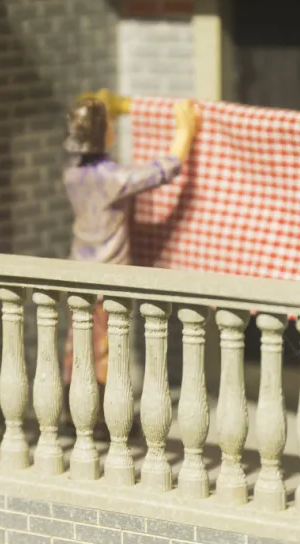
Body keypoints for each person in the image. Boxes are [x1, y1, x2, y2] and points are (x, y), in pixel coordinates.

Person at [62, 94, 199, 386]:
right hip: (107, 280)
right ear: (105, 134)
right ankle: (99, 407)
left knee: (81, 345)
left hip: (78, 274)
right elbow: (164, 170)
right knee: (105, 353)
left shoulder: (72, 173)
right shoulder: (112, 178)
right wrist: (184, 132)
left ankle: (76, 401)